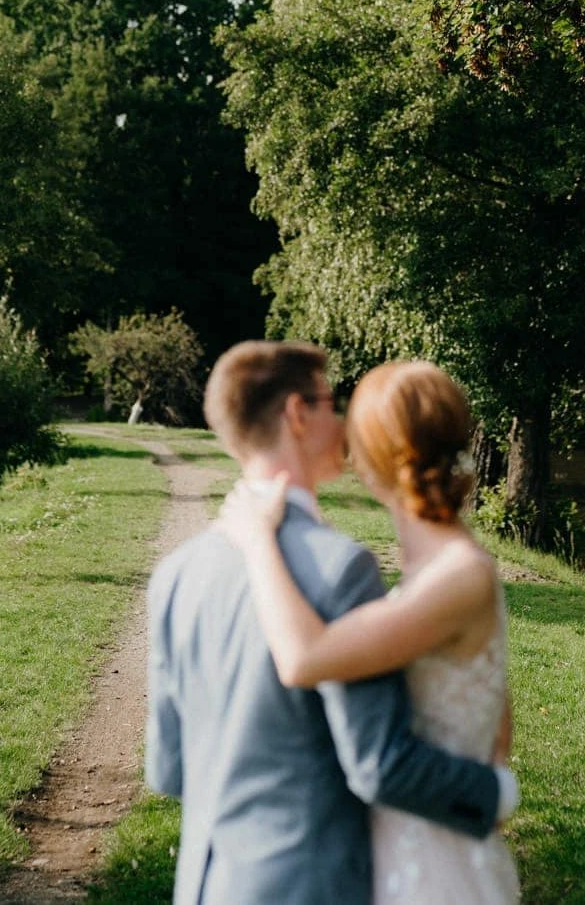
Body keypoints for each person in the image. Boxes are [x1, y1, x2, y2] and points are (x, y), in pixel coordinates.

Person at [145, 341, 516, 905]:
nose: (342, 422)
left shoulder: (175, 574)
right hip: (310, 883)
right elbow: (377, 764)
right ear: (298, 414)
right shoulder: (340, 570)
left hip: (207, 883)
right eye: (330, 402)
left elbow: (168, 769)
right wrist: (497, 793)